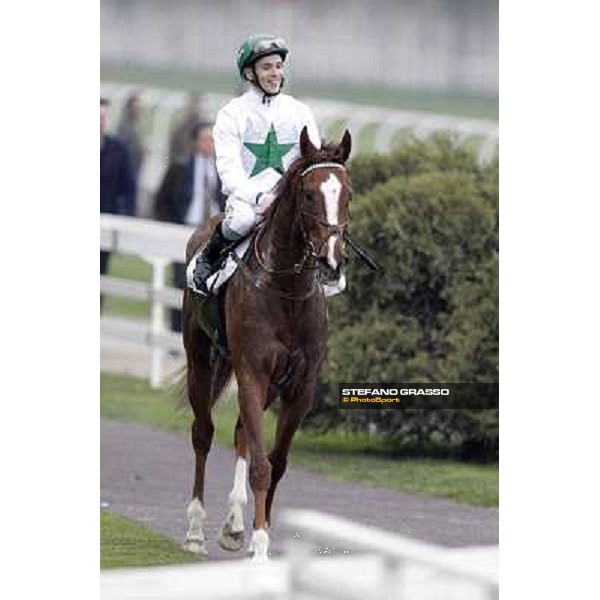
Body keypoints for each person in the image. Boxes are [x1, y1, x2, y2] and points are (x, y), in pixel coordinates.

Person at [190, 34, 321, 296]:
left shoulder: (300, 112)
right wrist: (259, 197)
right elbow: (228, 173)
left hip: (291, 201)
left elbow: (313, 163)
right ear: (250, 73)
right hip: (248, 202)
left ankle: (330, 271)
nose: (275, 73)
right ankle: (207, 259)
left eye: (278, 66)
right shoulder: (232, 113)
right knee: (241, 220)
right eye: (267, 67)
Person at [154, 122, 225, 330]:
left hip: (214, 234)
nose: (209, 144)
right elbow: (161, 202)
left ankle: (207, 334)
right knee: (181, 283)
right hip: (184, 232)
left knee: (212, 287)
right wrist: (170, 227)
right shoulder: (180, 167)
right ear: (195, 142)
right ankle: (177, 332)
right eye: (205, 139)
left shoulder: (223, 170)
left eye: (213, 140)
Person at [100, 98, 137, 300]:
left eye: (103, 117)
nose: (100, 121)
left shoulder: (118, 149)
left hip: (106, 223)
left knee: (100, 275)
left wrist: (126, 219)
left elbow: (128, 188)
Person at [116, 91, 145, 183]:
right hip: (127, 175)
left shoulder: (134, 126)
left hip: (133, 172)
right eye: (136, 108)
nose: (139, 110)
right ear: (129, 109)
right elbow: (123, 150)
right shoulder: (124, 127)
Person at [168, 93, 204, 166]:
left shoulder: (206, 129)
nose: (195, 107)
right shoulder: (179, 129)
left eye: (197, 103)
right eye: (192, 103)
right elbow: (171, 154)